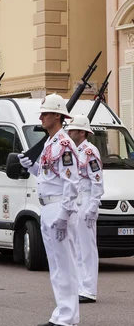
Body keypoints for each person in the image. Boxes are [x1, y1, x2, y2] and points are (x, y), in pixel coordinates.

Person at [18, 94, 80, 326]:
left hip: (58, 207)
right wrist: (30, 166)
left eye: (45, 113)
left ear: (57, 116)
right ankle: (61, 312)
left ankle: (69, 318)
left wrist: (64, 215)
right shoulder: (49, 143)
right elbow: (47, 176)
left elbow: (71, 183)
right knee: (55, 265)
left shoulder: (64, 145)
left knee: (65, 264)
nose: (41, 117)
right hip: (47, 206)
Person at [65, 114, 104, 304]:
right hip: (76, 201)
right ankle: (81, 285)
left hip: (86, 200)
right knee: (77, 246)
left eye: (72, 130)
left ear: (82, 132)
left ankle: (89, 288)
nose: (69, 132)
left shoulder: (90, 151)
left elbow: (97, 181)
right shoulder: (73, 150)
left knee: (87, 247)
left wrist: (94, 206)